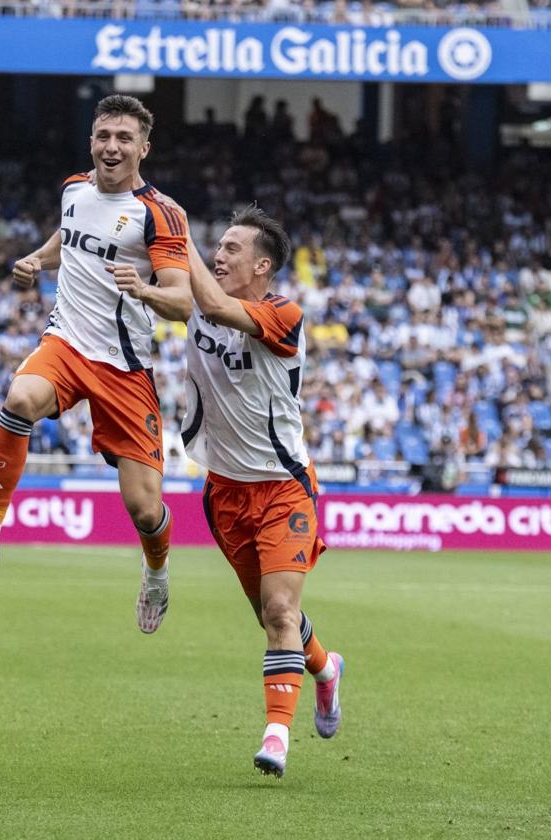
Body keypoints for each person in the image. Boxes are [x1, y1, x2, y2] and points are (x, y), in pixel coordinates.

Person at [0, 95, 193, 636]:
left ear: (144, 148)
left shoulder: (160, 213)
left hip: (124, 367)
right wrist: (37, 258)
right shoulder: (73, 189)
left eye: (124, 138)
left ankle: (156, 571)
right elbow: (69, 238)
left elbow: (183, 302)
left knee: (145, 511)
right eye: (103, 135)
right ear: (91, 141)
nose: (111, 146)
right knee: (19, 399)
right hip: (68, 343)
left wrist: (143, 288)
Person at [180, 206, 343, 778]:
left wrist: (175, 229)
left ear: (262, 265)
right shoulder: (200, 302)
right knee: (273, 617)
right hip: (224, 490)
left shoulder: (283, 314)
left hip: (283, 489)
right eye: (215, 248)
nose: (217, 256)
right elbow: (175, 294)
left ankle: (276, 736)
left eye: (229, 249)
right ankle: (324, 669)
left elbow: (217, 305)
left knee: (280, 609)